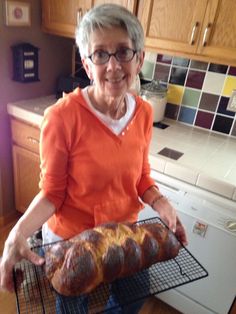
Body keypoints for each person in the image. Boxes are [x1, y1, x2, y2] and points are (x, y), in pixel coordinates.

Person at [0, 3, 187, 313]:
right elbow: (52, 194)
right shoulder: (61, 118)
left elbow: (140, 177)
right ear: (87, 66)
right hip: (72, 241)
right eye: (100, 54)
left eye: (123, 52)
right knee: (72, 304)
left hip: (122, 234)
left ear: (139, 59)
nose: (113, 66)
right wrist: (15, 234)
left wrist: (160, 201)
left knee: (134, 295)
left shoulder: (143, 113)